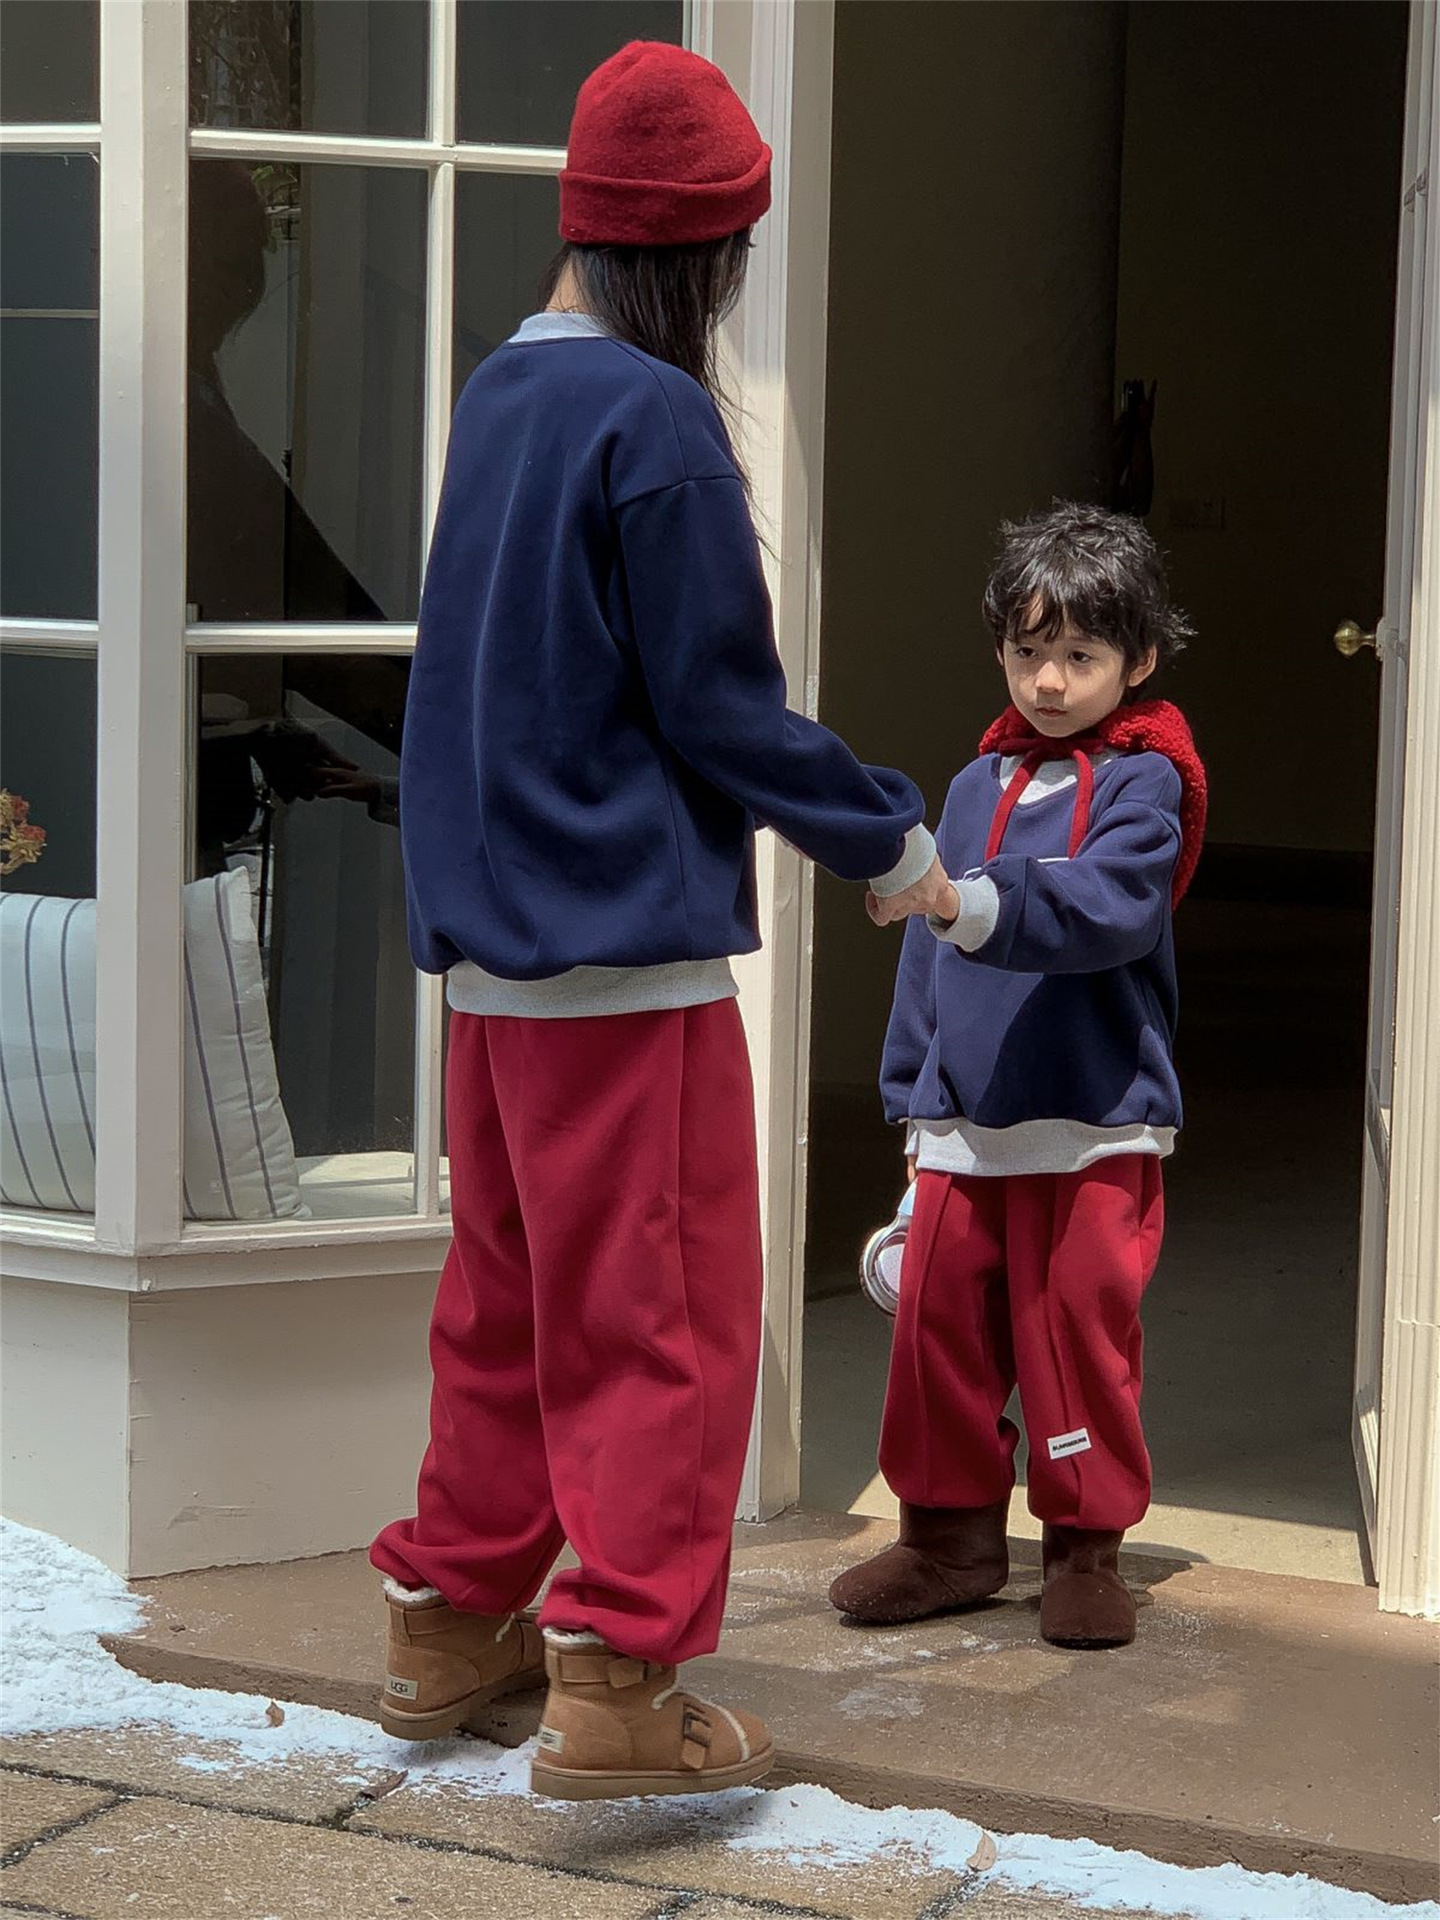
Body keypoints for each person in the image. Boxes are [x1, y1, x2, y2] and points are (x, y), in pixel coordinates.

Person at [370, 41, 952, 1800]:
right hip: (623, 969)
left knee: (504, 1311)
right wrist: (890, 845)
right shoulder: (655, 420)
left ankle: (449, 1622)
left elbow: (466, 680)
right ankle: (622, 1688)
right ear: (695, 254)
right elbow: (719, 707)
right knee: (666, 1330)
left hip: (492, 967)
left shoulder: (500, 395)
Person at [832, 503, 1206, 1650]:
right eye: (1028, 650)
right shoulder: (970, 787)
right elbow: (924, 954)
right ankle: (947, 1539)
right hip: (965, 1123)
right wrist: (914, 1095)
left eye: (1081, 655)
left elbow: (1112, 908)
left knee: (1074, 1333)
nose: (1049, 680)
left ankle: (1086, 1548)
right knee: (936, 1333)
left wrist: (962, 900)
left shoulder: (1146, 785)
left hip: (1092, 1118)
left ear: (1139, 661)